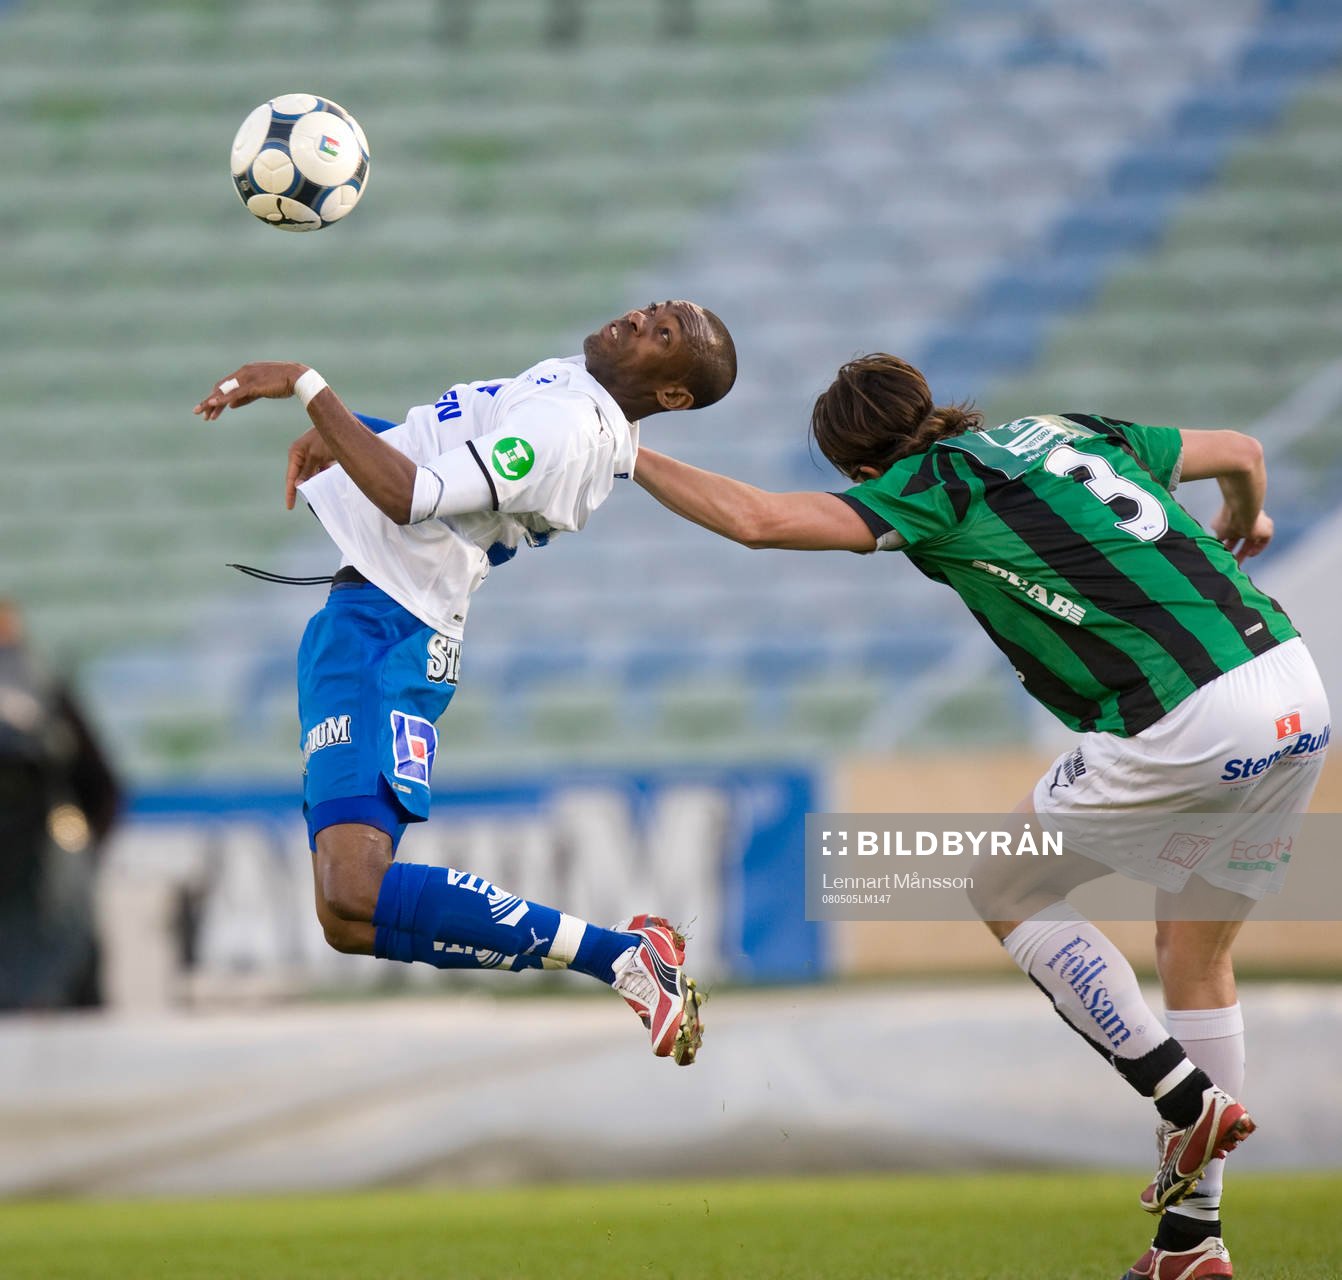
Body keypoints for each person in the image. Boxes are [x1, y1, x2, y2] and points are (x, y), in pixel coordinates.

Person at [631, 353, 1328, 1275]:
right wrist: (1241, 519)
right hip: (1297, 688)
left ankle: (1179, 1096)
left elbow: (757, 521)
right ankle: (1193, 1242)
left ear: (857, 470)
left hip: (1185, 710)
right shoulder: (1074, 431)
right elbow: (1241, 449)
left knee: (1003, 883)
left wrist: (627, 452)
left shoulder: (930, 487)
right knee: (1197, 955)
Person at [193, 300, 737, 1065]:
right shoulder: (578, 393)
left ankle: (619, 957)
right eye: (656, 310)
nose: (639, 318)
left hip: (385, 634)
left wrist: (307, 385)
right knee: (345, 918)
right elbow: (451, 454)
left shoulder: (568, 428)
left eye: (664, 335)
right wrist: (361, 435)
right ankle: (620, 956)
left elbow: (412, 496)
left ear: (674, 395)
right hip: (384, 623)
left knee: (354, 892)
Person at [0, 599, 122, 1009]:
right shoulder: (44, 689)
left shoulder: (46, 692)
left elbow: (102, 787)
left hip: (43, 877)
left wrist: (82, 850)